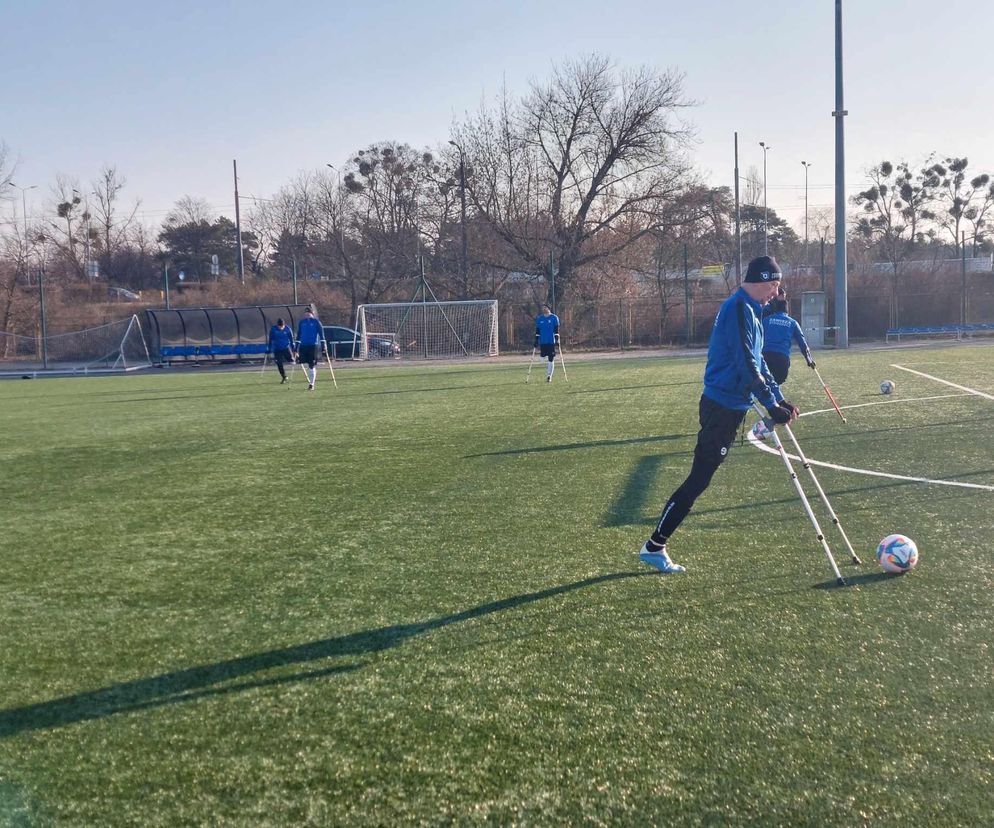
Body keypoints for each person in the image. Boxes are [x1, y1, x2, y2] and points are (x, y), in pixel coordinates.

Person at [638, 255, 799, 574]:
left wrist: (779, 398)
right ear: (761, 282)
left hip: (731, 405)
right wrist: (769, 405)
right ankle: (654, 546)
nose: (775, 293)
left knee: (702, 478)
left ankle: (655, 545)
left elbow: (760, 361)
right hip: (721, 406)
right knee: (698, 479)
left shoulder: (753, 311)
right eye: (773, 286)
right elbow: (745, 363)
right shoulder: (739, 309)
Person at [761, 290, 815, 385]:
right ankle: (775, 398)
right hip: (782, 357)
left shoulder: (765, 320)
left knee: (765, 382)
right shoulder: (793, 323)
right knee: (777, 382)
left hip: (766, 355)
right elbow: (802, 343)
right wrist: (809, 359)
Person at [296, 308, 324, 391]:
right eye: (306, 313)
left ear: (312, 314)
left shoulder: (316, 322)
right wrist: (296, 347)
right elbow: (299, 335)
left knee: (311, 365)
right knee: (305, 363)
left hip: (313, 345)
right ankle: (310, 380)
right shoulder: (302, 323)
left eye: (309, 313)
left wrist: (323, 345)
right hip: (303, 346)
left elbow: (321, 335)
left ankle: (312, 384)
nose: (307, 315)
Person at [534, 304, 560, 383]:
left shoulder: (554, 318)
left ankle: (549, 376)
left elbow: (556, 330)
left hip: (551, 342)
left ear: (549, 308)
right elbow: (537, 331)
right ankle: (545, 368)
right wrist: (536, 340)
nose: (544, 309)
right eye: (543, 308)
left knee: (551, 359)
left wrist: (557, 339)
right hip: (543, 342)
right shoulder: (539, 319)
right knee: (542, 358)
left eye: (545, 307)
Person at [267, 318, 296, 384]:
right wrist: (269, 348)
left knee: (291, 360)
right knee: (279, 363)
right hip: (277, 349)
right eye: (279, 326)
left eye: (282, 326)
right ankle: (284, 377)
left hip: (286, 348)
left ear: (284, 325)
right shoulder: (273, 329)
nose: (280, 328)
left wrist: (293, 347)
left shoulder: (288, 329)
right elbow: (270, 339)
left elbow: (291, 339)